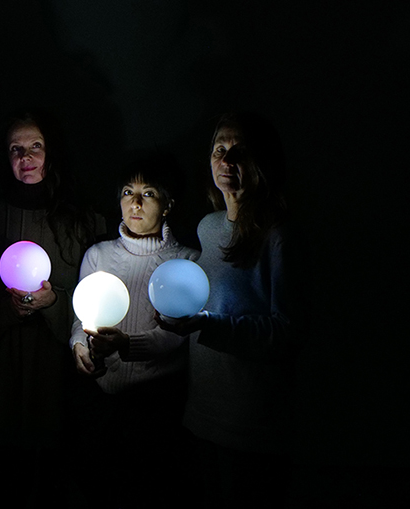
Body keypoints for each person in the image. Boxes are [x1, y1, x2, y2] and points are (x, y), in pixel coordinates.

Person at [158, 112, 304, 508]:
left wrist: (209, 325)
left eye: (240, 151)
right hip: (202, 415)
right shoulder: (207, 227)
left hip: (254, 428)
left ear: (263, 162)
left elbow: (287, 333)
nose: (227, 160)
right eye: (219, 149)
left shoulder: (278, 237)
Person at [0, 111, 102, 507]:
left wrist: (55, 301)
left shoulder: (83, 220)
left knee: (54, 478)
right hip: (4, 373)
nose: (25, 157)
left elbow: (98, 297)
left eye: (35, 147)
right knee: (6, 479)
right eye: (16, 149)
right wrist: (8, 308)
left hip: (59, 373)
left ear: (52, 153)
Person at [68, 158, 199, 509]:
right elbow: (82, 316)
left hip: (154, 404)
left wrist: (128, 344)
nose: (136, 203)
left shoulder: (186, 262)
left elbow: (178, 334)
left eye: (148, 193)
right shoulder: (99, 255)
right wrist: (80, 346)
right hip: (100, 398)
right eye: (128, 192)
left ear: (168, 204)